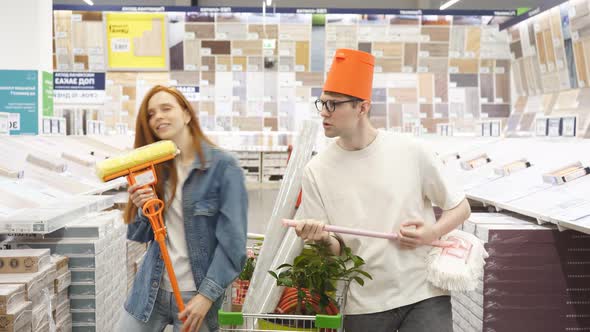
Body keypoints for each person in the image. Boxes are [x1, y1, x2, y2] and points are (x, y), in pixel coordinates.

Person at [294, 49, 471, 332]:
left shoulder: (411, 150)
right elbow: (335, 250)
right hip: (364, 302)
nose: (323, 113)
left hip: (423, 292)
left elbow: (460, 206)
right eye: (322, 103)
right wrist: (320, 239)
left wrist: (433, 232)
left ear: (362, 108)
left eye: (333, 105)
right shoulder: (317, 170)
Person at [117, 85, 248, 332]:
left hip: (195, 295)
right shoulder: (155, 167)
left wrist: (207, 296)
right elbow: (139, 235)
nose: (158, 117)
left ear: (187, 114)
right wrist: (139, 207)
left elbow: (234, 243)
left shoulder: (223, 168)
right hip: (150, 290)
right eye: (151, 114)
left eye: (166, 108)